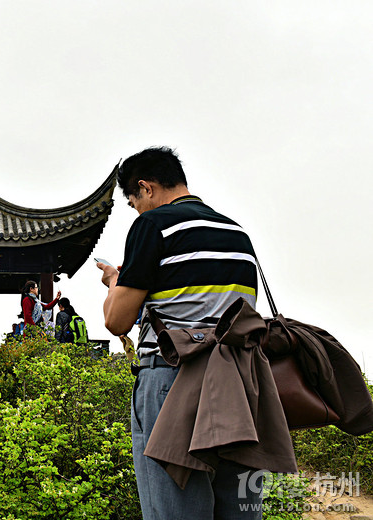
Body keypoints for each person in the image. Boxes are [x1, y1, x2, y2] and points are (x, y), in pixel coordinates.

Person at [98, 147, 262, 519]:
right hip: (238, 383)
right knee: (239, 507)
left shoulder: (152, 225)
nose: (136, 209)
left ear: (146, 188)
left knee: (175, 508)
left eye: (132, 201)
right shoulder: (237, 232)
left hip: (172, 380)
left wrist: (115, 282)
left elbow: (117, 321)